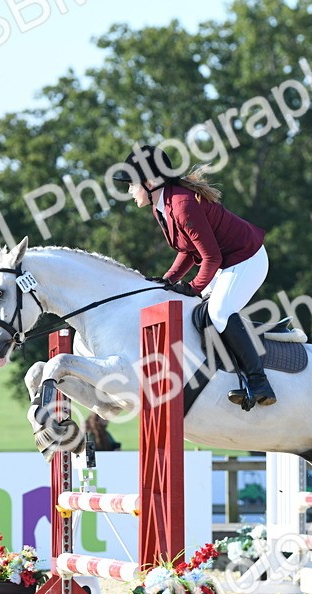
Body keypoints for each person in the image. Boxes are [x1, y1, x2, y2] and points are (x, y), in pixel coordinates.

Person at [116, 144, 275, 409]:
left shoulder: (181, 204)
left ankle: (259, 382)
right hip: (224, 261)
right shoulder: (161, 206)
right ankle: (221, 374)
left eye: (132, 184)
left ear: (151, 181)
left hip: (246, 258)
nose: (129, 191)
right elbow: (189, 249)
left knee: (219, 311)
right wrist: (168, 279)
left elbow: (210, 256)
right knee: (197, 312)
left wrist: (192, 286)